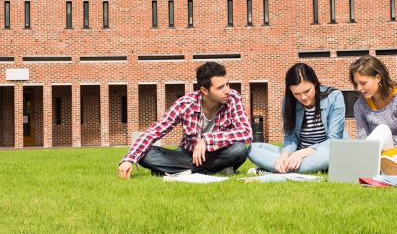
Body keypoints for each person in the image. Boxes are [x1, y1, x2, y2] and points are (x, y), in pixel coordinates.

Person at [118, 62, 252, 179]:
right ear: (204, 90)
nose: (227, 90)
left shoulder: (233, 98)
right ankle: (213, 170)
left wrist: (207, 140)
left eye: (227, 84)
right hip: (187, 155)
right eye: (220, 87)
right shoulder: (185, 104)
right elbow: (154, 132)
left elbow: (245, 132)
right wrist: (129, 159)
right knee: (146, 154)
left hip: (219, 154)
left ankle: (181, 171)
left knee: (239, 149)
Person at [248, 63, 346, 173]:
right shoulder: (288, 102)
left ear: (315, 83)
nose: (303, 97)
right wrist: (285, 156)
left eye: (307, 91)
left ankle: (277, 170)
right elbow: (290, 139)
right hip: (297, 154)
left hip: (323, 151)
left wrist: (302, 153)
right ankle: (296, 167)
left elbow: (334, 140)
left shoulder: (335, 97)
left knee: (327, 155)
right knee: (254, 149)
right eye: (297, 94)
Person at [348, 55, 397, 154]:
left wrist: (387, 155)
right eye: (356, 84)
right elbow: (363, 140)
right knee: (381, 131)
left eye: (363, 83)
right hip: (374, 154)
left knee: (383, 129)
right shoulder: (359, 106)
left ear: (378, 78)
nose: (358, 88)